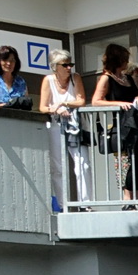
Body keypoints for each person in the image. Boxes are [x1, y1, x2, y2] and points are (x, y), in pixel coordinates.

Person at [89, 44, 138, 201]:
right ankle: (128, 199)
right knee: (126, 161)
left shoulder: (128, 79)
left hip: (137, 122)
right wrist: (119, 103)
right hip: (122, 125)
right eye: (124, 58)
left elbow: (136, 98)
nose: (126, 62)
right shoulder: (106, 78)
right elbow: (96, 101)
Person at [40, 50, 91, 209]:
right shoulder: (48, 80)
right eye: (65, 65)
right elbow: (42, 107)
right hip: (56, 126)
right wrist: (55, 109)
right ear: (55, 66)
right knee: (58, 167)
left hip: (76, 125)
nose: (69, 68)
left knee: (83, 164)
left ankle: (85, 203)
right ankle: (63, 205)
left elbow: (81, 101)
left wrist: (63, 104)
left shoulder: (75, 78)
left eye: (70, 64)